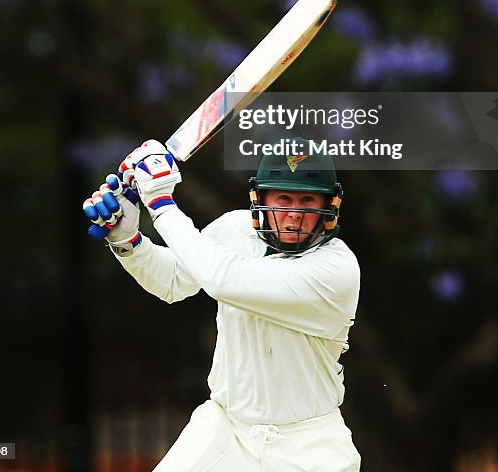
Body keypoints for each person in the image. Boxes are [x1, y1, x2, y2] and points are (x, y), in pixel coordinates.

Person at [83, 135, 361, 471]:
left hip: (307, 447)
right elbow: (172, 280)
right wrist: (127, 240)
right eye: (284, 197)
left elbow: (223, 279)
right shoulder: (235, 229)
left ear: (328, 206)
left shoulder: (336, 270)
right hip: (225, 430)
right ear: (260, 198)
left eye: (307, 201)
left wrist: (159, 203)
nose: (293, 214)